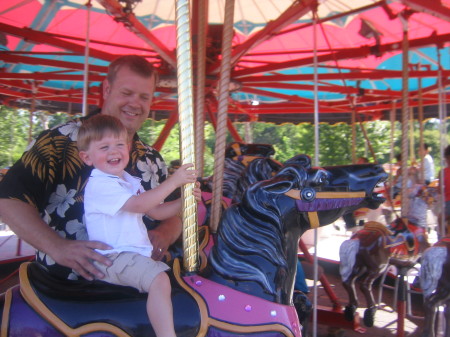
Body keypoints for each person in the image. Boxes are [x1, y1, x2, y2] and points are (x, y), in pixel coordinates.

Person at [0, 55, 183, 281]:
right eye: (127, 93)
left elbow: (175, 215)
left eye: (144, 97)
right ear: (107, 89)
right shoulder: (60, 141)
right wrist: (57, 247)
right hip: (69, 282)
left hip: (136, 280)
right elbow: (9, 199)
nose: (135, 104)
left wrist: (164, 234)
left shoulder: (152, 159)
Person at [78, 115, 199, 337]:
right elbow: (139, 205)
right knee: (160, 279)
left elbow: (156, 211)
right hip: (113, 258)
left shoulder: (128, 180)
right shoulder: (100, 184)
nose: (113, 151)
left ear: (129, 147)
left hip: (131, 256)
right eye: (104, 147)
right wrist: (173, 182)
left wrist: (185, 200)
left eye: (119, 145)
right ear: (87, 157)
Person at [439, 145, 450, 233]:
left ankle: (442, 237)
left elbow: (439, 190)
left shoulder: (443, 172)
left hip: (448, 203)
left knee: (441, 219)